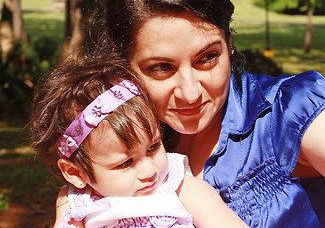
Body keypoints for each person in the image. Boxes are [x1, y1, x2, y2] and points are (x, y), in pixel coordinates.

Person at [54, 0, 325, 227]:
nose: (190, 93)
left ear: (228, 40)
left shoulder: (292, 112)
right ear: (121, 57)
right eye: (161, 68)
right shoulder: (111, 145)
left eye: (208, 58)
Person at [30, 53, 249, 228]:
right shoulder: (76, 204)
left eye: (153, 147)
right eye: (126, 162)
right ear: (77, 173)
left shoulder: (178, 186)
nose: (149, 171)